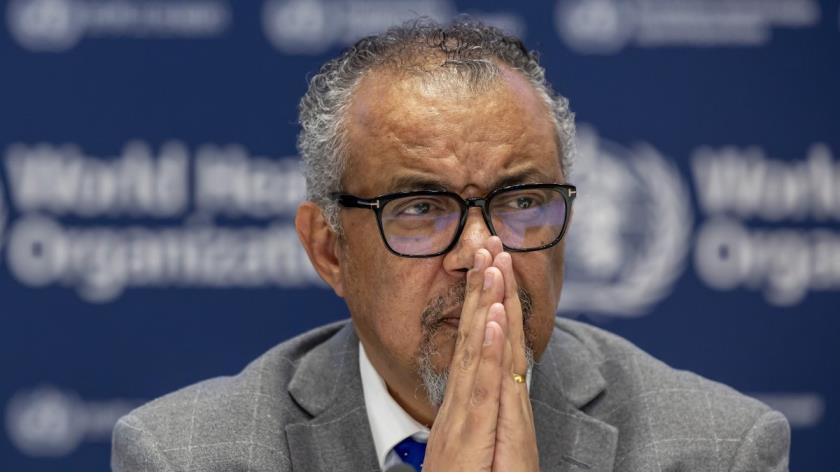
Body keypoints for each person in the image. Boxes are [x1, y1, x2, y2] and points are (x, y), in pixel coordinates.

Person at [112, 19, 790, 471]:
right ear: (330, 251)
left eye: (522, 203)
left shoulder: (717, 449)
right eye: (420, 208)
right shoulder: (184, 456)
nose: (480, 253)